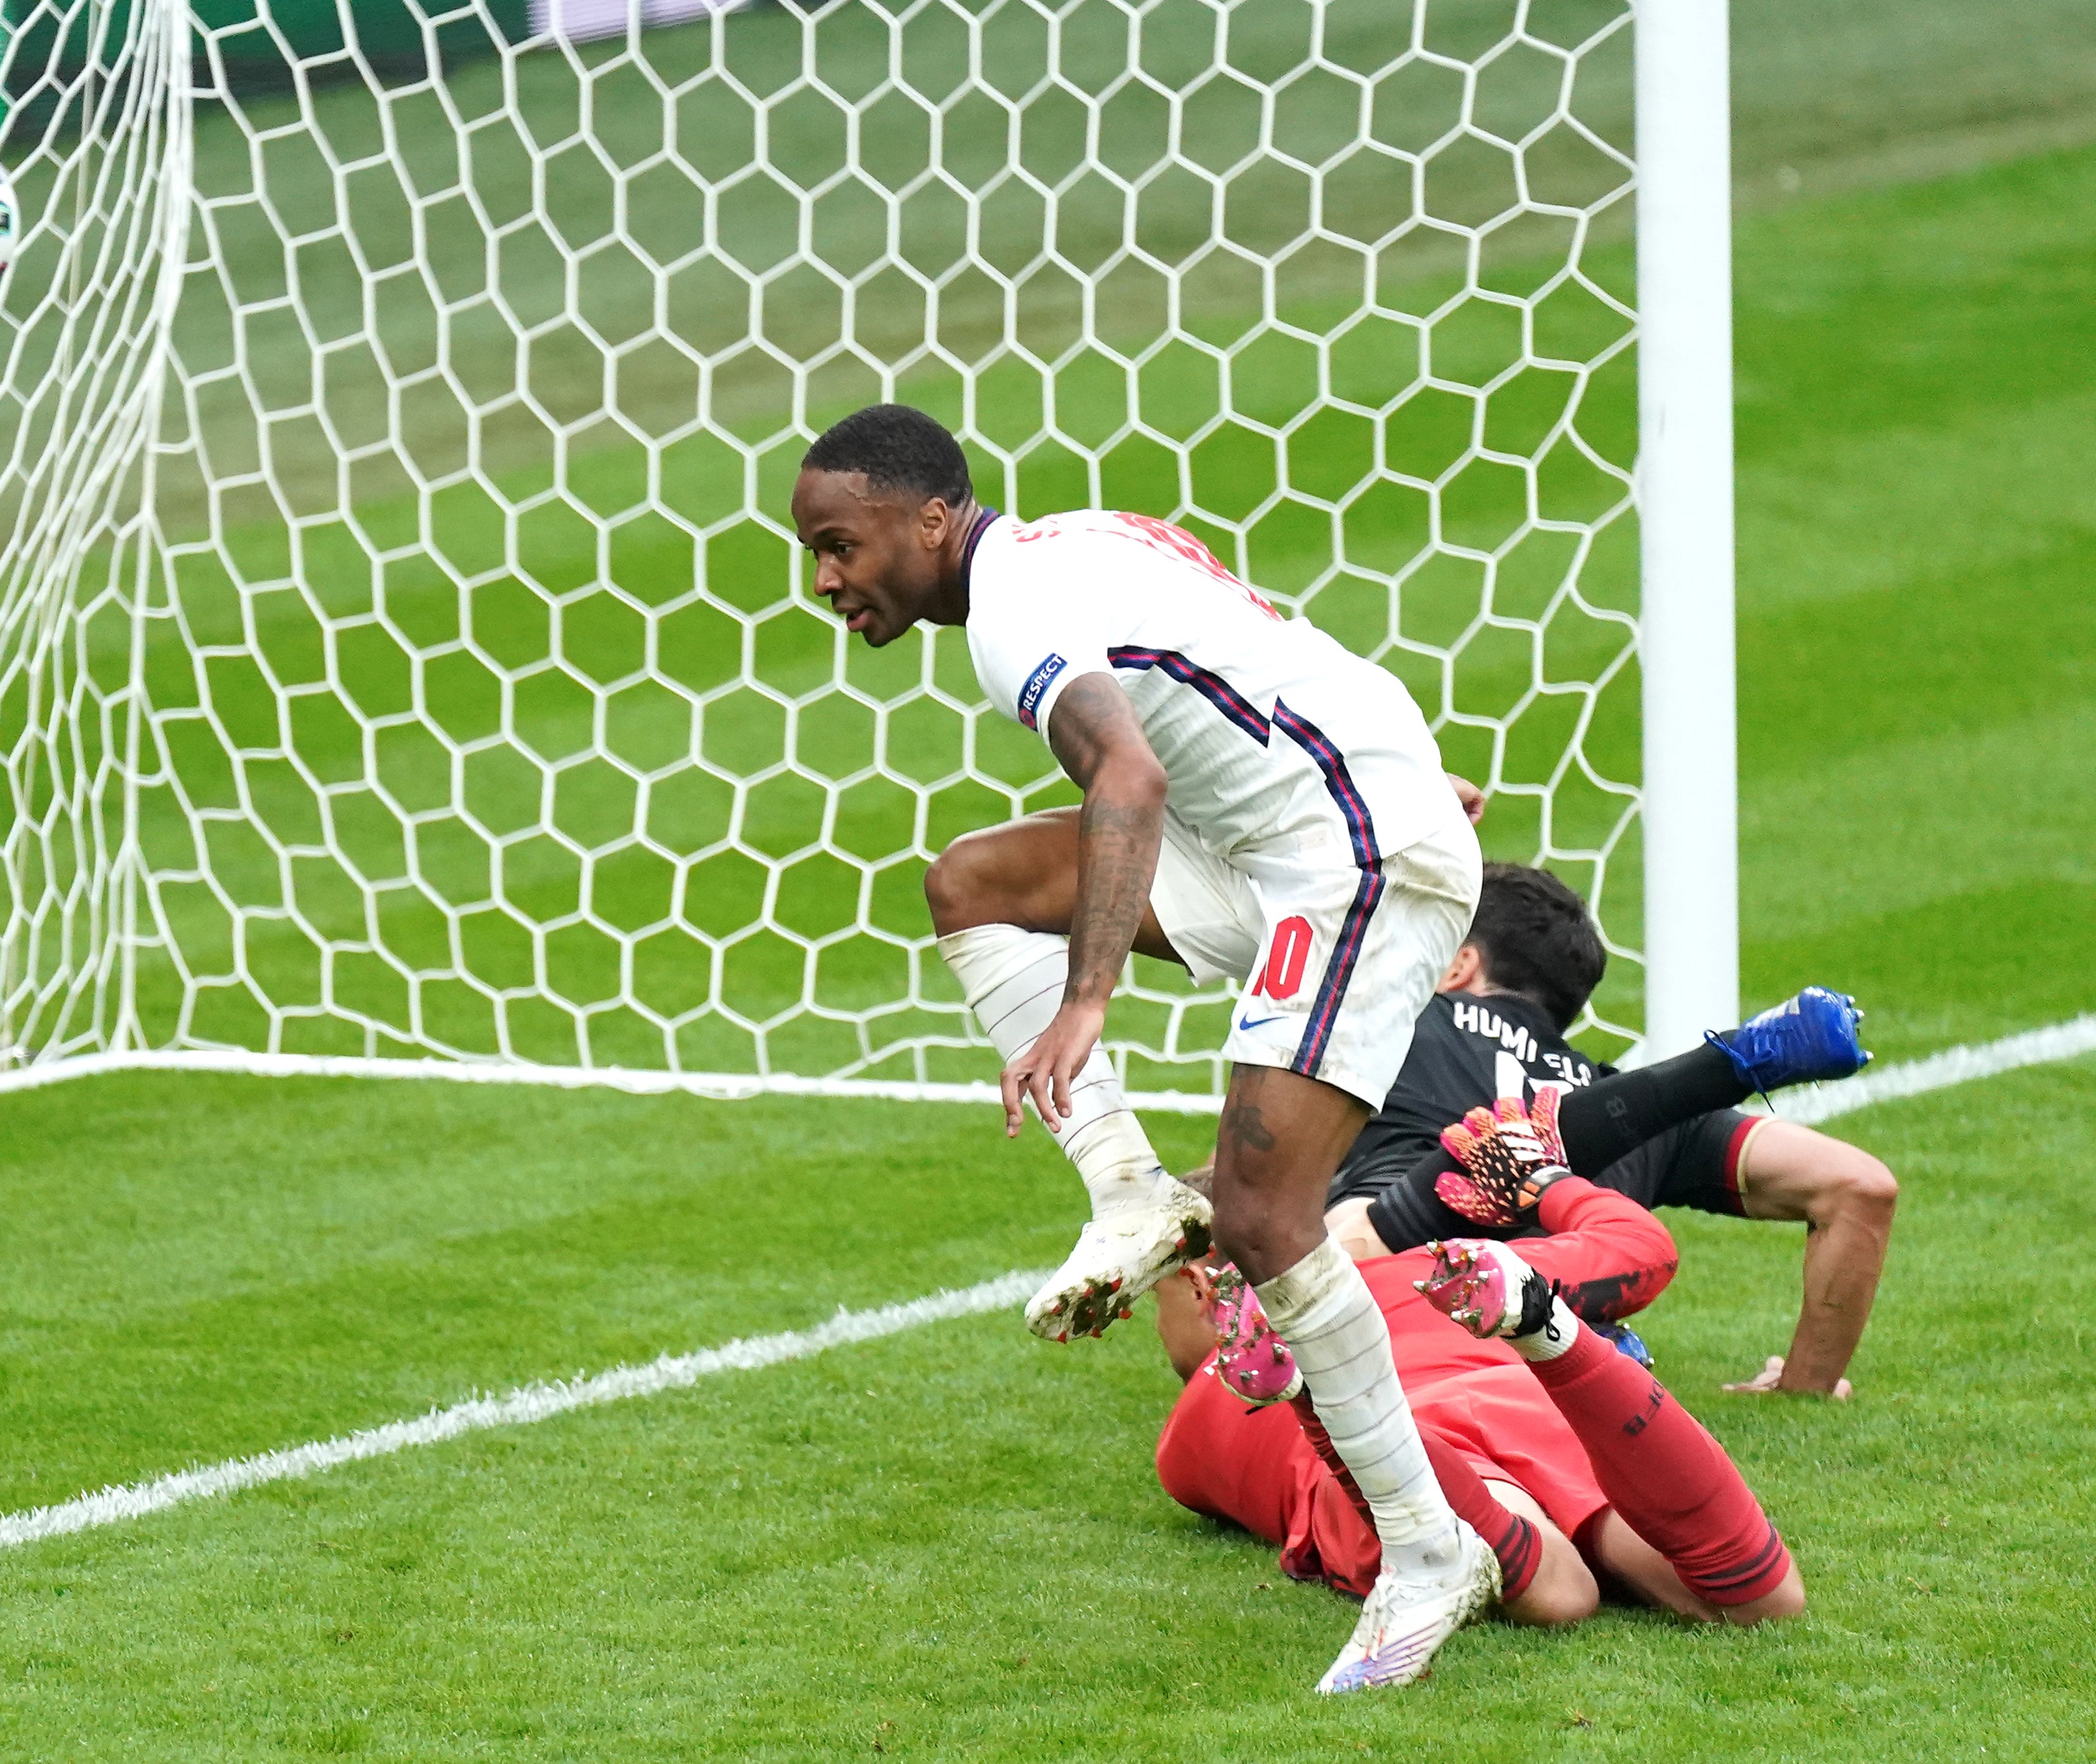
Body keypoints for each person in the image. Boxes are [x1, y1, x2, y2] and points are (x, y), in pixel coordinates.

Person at [792, 403, 1499, 1690]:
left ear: (931, 518)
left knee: (1266, 1217)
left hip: (1345, 858)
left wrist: (1086, 996)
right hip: (1297, 827)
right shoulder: (1075, 539)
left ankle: (1426, 1548)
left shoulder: (1011, 614)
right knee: (972, 884)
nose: (827, 580)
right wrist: (1399, 754)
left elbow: (1125, 776)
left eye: (840, 545)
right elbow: (1260, 647)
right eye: (814, 556)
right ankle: (1127, 1195)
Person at [1150, 1168, 1805, 1636]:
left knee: (1557, 1592)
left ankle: (1318, 1398)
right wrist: (1543, 1179)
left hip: (1401, 1450)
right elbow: (1643, 1249)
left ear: (1197, 1286)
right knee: (1763, 1600)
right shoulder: (1438, 1270)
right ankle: (1552, 1336)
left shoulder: (1192, 1431)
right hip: (1521, 1402)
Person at [1325, 863, 1893, 1397]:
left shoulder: (1398, 1016)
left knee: (1318, 1240)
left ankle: (1721, 1069)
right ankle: (1565, 1333)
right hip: (1555, 1330)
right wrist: (1807, 1386)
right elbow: (1860, 1187)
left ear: (1458, 965)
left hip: (1391, 1311)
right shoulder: (1622, 1105)